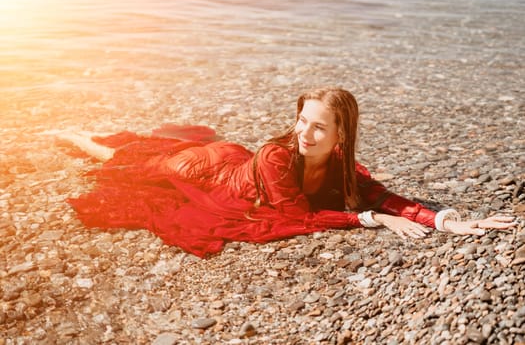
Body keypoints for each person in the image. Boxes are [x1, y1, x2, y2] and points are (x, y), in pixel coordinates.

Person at [58, 87, 516, 258]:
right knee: (140, 165)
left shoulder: (342, 165)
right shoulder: (278, 156)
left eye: (318, 127)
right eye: (302, 121)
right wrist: (374, 220)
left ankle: (93, 139)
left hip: (231, 164)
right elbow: (296, 216)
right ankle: (80, 137)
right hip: (210, 171)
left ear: (340, 135)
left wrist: (449, 222)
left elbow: (383, 196)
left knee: (150, 158)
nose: (305, 133)